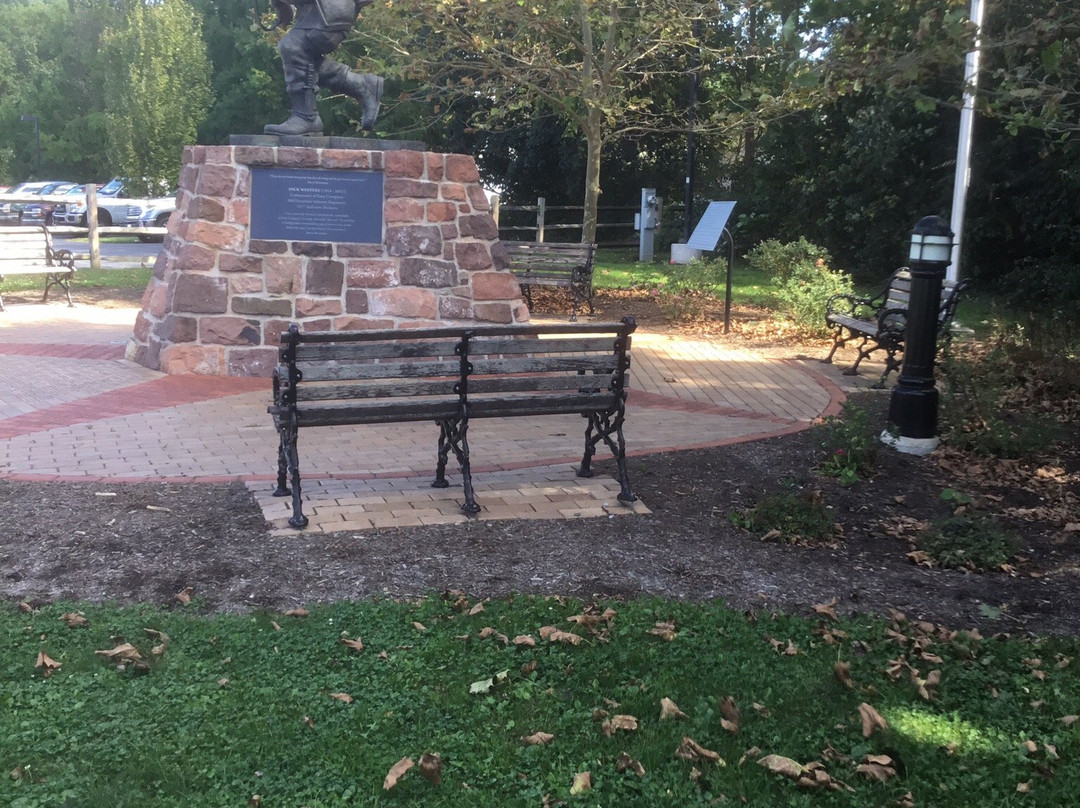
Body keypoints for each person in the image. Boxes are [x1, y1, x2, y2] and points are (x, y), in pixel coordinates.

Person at [265, 0, 383, 137]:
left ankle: (306, 116)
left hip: (331, 9)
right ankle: (360, 85)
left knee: (292, 47)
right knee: (300, 56)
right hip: (321, 11)